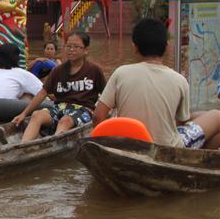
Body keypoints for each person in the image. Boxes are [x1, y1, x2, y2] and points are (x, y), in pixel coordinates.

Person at [92, 18, 220, 149]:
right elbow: (180, 124)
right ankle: (193, 162)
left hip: (129, 144)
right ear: (165, 47)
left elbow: (97, 116)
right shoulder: (179, 80)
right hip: (168, 148)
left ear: (135, 47)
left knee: (198, 116)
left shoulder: (121, 73)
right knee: (217, 115)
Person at [12, 31, 106, 143]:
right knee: (37, 115)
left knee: (65, 121)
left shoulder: (94, 70)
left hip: (84, 109)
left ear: (85, 50)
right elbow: (43, 93)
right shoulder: (58, 70)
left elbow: (106, 95)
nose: (71, 50)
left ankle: (53, 145)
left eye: (76, 47)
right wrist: (24, 114)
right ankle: (23, 147)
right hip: (60, 107)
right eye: (68, 46)